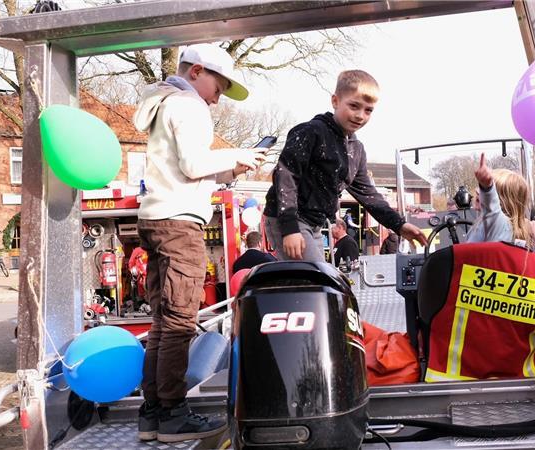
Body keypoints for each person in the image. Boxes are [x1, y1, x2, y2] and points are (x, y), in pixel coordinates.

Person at [132, 43, 265, 443]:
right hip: (178, 225)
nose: (217, 99)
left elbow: (185, 170)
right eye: (218, 87)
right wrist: (238, 152)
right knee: (178, 321)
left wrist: (227, 167)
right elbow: (193, 164)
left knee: (161, 321)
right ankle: (172, 414)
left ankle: (153, 412)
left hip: (154, 217)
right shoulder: (189, 106)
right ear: (196, 72)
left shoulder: (161, 103)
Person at [263, 70, 427, 261]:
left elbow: (369, 195)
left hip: (315, 224)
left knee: (325, 280)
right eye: (354, 106)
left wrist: (399, 225)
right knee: (315, 281)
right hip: (289, 217)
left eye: (368, 110)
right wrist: (289, 228)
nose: (360, 115)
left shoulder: (356, 150)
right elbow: (286, 176)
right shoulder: (311, 132)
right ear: (335, 101)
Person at [465, 153, 535, 248]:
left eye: (482, 187)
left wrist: (487, 188)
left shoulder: (499, 223)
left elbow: (492, 211)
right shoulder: (481, 223)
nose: (477, 191)